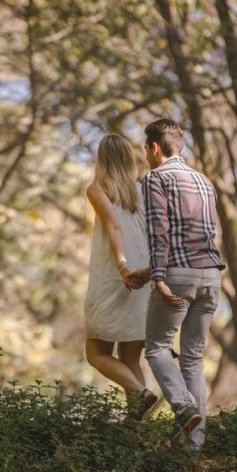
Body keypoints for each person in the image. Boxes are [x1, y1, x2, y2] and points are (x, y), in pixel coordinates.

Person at [130, 119, 224, 450]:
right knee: (193, 359)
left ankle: (183, 408)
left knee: (156, 347)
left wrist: (158, 278)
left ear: (156, 147)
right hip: (211, 276)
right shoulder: (204, 182)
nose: (145, 155)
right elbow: (207, 235)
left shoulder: (156, 178)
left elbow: (160, 232)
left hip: (177, 275)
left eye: (145, 149)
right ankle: (193, 448)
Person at [84, 134, 160, 420]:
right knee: (130, 359)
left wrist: (123, 268)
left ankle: (140, 395)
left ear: (102, 159)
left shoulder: (97, 188)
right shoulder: (141, 190)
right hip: (145, 274)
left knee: (95, 353)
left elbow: (114, 227)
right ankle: (140, 432)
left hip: (118, 277)